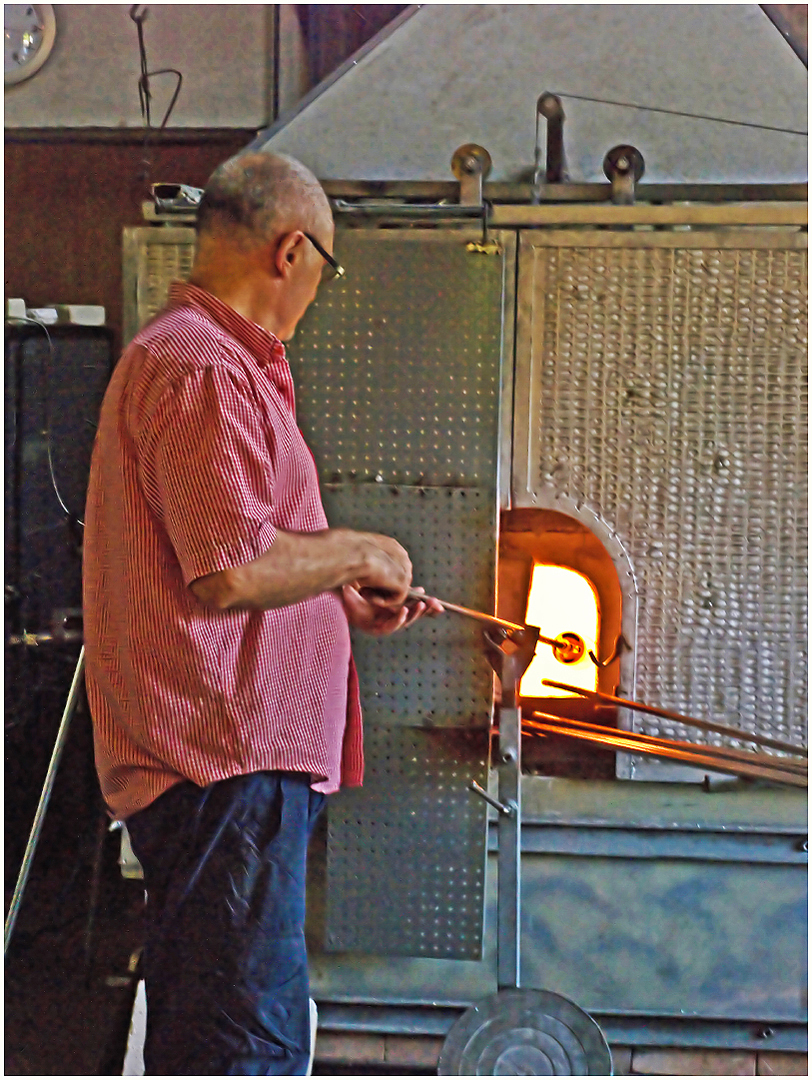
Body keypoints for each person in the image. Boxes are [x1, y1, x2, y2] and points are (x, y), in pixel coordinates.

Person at [82, 151, 441, 1075]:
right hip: (222, 771)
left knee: (240, 1024)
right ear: (291, 251)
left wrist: (330, 594)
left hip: (234, 773)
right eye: (328, 261)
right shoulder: (200, 369)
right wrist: (361, 551)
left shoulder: (211, 366)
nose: (322, 283)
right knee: (236, 1045)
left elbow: (235, 554)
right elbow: (230, 570)